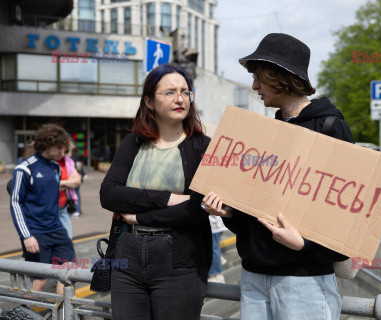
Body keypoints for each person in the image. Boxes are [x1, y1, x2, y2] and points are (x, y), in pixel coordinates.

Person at [203, 33, 354, 320]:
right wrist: (228, 213)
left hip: (303, 281)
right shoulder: (265, 133)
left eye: (259, 77)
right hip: (254, 277)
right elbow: (255, 219)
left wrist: (304, 245)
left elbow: (346, 221)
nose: (254, 86)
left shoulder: (329, 126)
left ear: (281, 77)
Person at [99, 63, 211, 320]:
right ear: (149, 101)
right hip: (126, 256)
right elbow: (109, 194)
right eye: (170, 92)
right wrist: (167, 198)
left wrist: (140, 217)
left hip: (180, 260)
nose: (180, 98)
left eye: (185, 91)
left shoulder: (202, 147)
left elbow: (197, 208)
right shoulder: (133, 142)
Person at [9, 124, 76, 295]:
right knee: (40, 280)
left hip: (57, 230)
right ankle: (22, 313)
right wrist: (26, 236)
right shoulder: (24, 169)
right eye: (60, 147)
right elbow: (16, 203)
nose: (64, 150)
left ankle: (65, 315)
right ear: (47, 144)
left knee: (68, 274)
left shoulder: (55, 168)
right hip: (36, 234)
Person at [57, 139, 82, 239]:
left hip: (64, 208)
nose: (63, 153)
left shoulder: (68, 162)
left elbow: (76, 181)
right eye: (61, 150)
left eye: (66, 151)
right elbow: (48, 185)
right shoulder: (48, 162)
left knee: (67, 240)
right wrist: (68, 183)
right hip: (48, 210)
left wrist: (61, 183)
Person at [208, 215, 228, 283]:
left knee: (213, 248)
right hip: (215, 225)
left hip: (214, 225)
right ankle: (219, 260)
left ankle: (217, 274)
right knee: (214, 248)